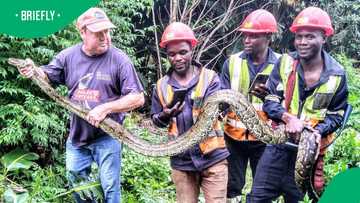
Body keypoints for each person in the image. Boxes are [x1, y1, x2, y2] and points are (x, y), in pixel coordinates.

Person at [18, 7, 145, 203]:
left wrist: (105, 108)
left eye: (107, 31)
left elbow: (137, 98)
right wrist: (32, 70)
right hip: (77, 138)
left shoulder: (120, 60)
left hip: (108, 137)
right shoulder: (68, 57)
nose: (105, 37)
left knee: (110, 189)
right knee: (79, 187)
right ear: (83, 32)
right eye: (98, 33)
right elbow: (47, 74)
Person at [247, 7, 348, 203]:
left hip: (309, 153)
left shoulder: (337, 75)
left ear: (324, 38)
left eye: (310, 36)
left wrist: (317, 131)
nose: (302, 42)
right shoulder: (285, 63)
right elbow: (270, 99)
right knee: (256, 198)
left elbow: (337, 115)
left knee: (298, 199)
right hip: (278, 146)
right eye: (299, 36)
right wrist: (288, 117)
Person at [151, 22, 229, 203]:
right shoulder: (161, 86)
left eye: (182, 52)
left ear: (192, 49)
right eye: (171, 54)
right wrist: (165, 115)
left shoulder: (210, 78)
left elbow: (216, 110)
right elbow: (156, 119)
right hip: (182, 162)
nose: (177, 58)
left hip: (213, 158)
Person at [220, 9, 281, 203]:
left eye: (253, 36)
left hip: (265, 140)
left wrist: (270, 98)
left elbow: (290, 101)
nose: (247, 40)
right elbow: (221, 98)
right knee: (232, 188)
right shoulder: (232, 62)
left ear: (268, 37)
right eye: (245, 35)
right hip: (233, 137)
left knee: (262, 190)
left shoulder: (283, 64)